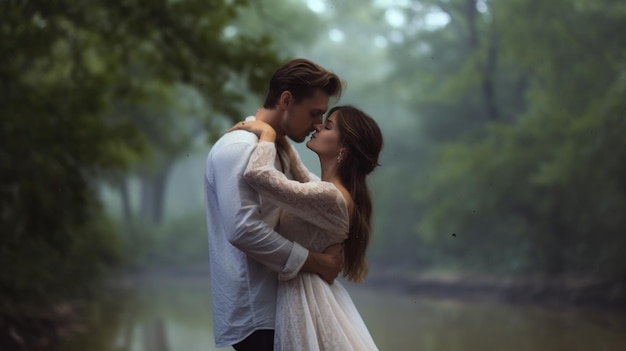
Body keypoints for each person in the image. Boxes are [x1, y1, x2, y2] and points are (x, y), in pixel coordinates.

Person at [203, 58, 344, 351]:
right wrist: (317, 262)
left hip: (281, 305)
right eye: (314, 114)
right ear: (286, 100)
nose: (318, 125)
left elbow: (315, 197)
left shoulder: (277, 148)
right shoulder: (239, 147)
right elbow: (242, 229)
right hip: (259, 313)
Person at [228, 104, 383, 350]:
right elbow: (300, 175)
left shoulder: (329, 196)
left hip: (307, 300)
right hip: (311, 295)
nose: (318, 126)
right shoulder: (331, 191)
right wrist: (280, 136)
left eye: (328, 126)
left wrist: (267, 134)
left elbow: (258, 176)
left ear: (343, 148)